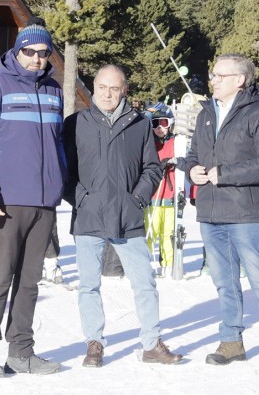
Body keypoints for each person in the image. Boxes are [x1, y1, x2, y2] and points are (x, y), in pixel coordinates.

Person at [63, 65, 182, 368]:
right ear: (93, 87)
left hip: (127, 217)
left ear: (124, 90)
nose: (107, 94)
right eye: (102, 87)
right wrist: (81, 199)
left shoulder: (139, 124)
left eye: (114, 88)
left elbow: (152, 168)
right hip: (89, 216)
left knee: (144, 283)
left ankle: (152, 344)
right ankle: (94, 343)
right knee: (88, 284)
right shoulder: (76, 123)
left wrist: (137, 198)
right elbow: (64, 171)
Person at [0, 17, 66, 379]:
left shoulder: (54, 90)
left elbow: (58, 147)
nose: (37, 59)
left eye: (43, 53)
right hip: (6, 204)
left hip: (44, 204)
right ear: (17, 50)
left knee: (29, 282)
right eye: (30, 52)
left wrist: (61, 185)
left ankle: (22, 351)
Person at [182, 53, 259, 372]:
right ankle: (231, 340)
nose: (212, 80)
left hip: (245, 212)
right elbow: (192, 154)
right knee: (223, 281)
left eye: (219, 75)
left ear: (240, 80)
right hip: (210, 210)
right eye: (212, 74)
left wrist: (223, 173)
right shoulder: (205, 113)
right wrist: (193, 171)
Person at [143, 102, 177, 276]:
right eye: (155, 124)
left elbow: (183, 159)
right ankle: (146, 263)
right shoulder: (149, 143)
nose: (159, 128)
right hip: (153, 196)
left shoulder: (175, 142)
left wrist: (172, 161)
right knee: (151, 231)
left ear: (170, 123)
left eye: (163, 123)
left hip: (170, 196)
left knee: (169, 233)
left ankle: (168, 263)